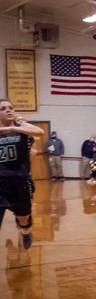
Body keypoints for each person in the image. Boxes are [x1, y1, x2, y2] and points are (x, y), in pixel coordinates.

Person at [0, 99, 44, 250]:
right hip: (1, 182)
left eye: (10, 108)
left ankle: (25, 232)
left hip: (20, 181)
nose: (8, 110)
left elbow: (40, 132)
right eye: (3, 108)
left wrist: (14, 127)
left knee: (23, 218)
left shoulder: (21, 127)